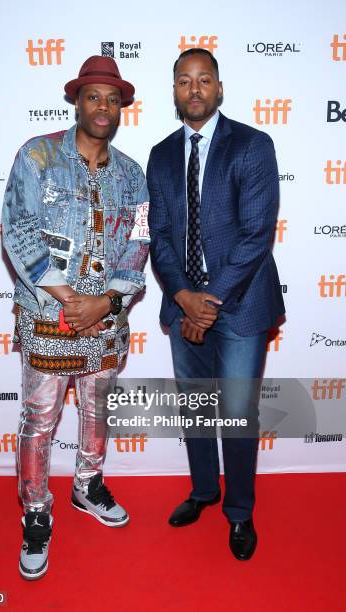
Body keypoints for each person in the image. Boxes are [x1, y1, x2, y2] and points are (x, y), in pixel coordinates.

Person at [2, 55, 149, 580]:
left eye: (113, 99)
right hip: (49, 318)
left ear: (121, 107)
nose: (103, 107)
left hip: (106, 323)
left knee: (97, 413)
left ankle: (88, 486)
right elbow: (17, 232)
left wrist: (106, 303)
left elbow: (139, 242)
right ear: (77, 100)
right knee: (40, 421)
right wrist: (72, 300)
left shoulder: (134, 176)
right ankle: (36, 510)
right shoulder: (36, 157)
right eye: (94, 97)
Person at [147, 48, 285, 561]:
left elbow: (256, 234)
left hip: (241, 306)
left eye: (205, 80)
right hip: (183, 302)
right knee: (199, 408)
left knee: (234, 410)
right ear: (175, 92)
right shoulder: (160, 155)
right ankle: (204, 491)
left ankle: (240, 512)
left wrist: (208, 301)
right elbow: (156, 233)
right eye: (185, 81)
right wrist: (184, 297)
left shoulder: (252, 145)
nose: (195, 89)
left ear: (219, 88)